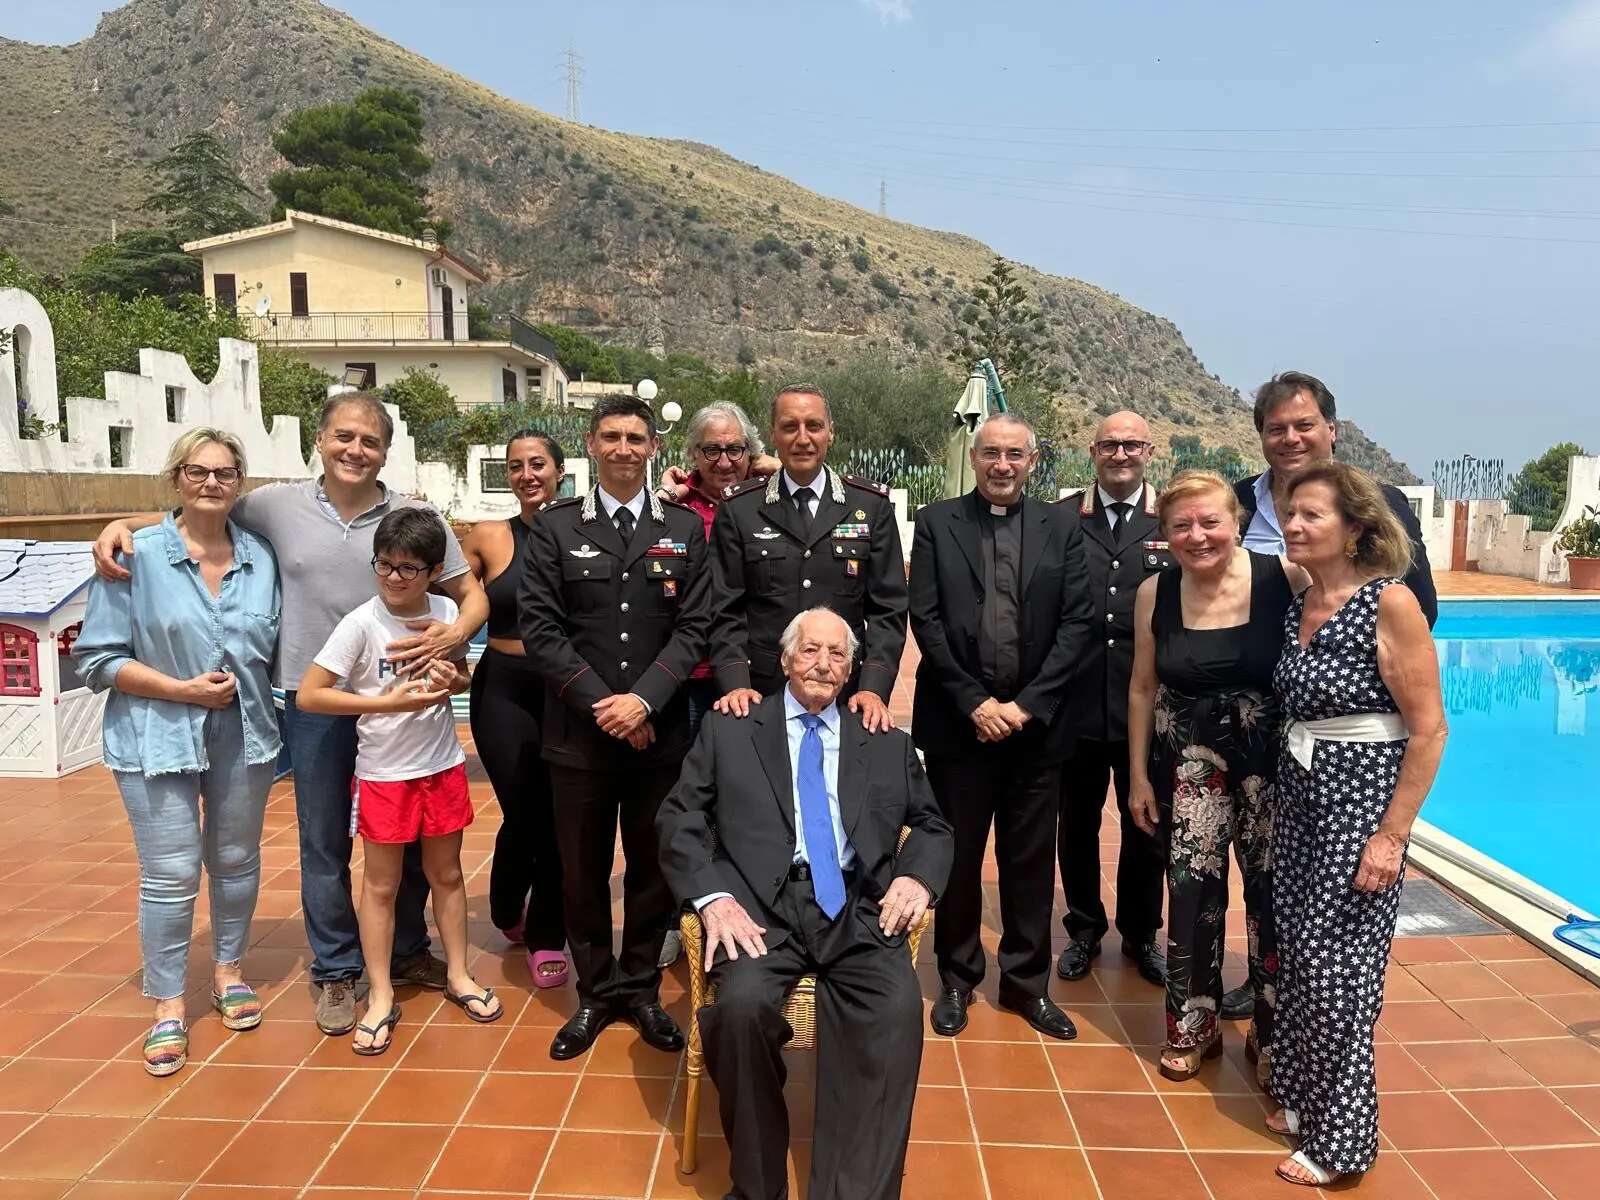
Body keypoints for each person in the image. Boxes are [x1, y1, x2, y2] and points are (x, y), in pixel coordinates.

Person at [92, 393, 489, 1036]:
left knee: (412, 841)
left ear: (386, 449)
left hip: (401, 702)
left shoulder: (417, 515)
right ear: (320, 440)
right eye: (343, 436)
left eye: (370, 440)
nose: (355, 450)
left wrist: (451, 638)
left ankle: (409, 951)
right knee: (324, 843)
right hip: (318, 705)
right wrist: (120, 525)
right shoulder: (276, 505)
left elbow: (470, 594)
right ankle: (335, 970)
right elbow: (199, 510)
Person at [658, 608, 953, 1200]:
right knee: (738, 1011)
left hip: (855, 906)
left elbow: (932, 826)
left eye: (837, 654)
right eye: (810, 650)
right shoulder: (732, 728)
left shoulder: (886, 740)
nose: (822, 663)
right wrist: (713, 897)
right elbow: (679, 816)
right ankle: (758, 1187)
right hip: (759, 910)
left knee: (897, 1016)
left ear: (851, 670)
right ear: (786, 660)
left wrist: (916, 879)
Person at [73, 429, 281, 1077]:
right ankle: (167, 1005)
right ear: (176, 478)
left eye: (225, 472)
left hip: (243, 733)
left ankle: (227, 970)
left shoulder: (261, 556)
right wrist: (180, 689)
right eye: (197, 471)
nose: (212, 483)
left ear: (240, 481)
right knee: (170, 873)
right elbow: (98, 659)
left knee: (236, 858)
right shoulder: (136, 555)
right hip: (154, 734)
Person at [1266, 462, 1446, 1187]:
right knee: (1304, 961)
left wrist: (1391, 835)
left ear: (1356, 526)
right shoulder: (1301, 601)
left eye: (1312, 514)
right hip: (1302, 803)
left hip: (1356, 809)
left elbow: (1428, 730)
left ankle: (1346, 1143)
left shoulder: (1389, 603)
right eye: (1291, 514)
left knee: (1341, 972)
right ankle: (1311, 1104)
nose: (1296, 526)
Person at [518, 395, 713, 1060]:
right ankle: (597, 992)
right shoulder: (555, 527)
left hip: (659, 738)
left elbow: (695, 628)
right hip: (579, 736)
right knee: (582, 869)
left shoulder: (686, 529)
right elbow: (541, 630)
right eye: (611, 436)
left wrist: (645, 702)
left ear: (654, 446)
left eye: (636, 437)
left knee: (654, 869)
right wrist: (607, 704)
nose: (624, 448)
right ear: (590, 443)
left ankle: (638, 990)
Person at [910, 414, 1094, 1041]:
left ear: (1033, 460)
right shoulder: (937, 523)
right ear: (974, 455)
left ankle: (1024, 984)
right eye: (990, 453)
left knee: (1030, 863)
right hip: (961, 728)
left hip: (1036, 730)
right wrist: (974, 703)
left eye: (1015, 454)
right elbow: (925, 620)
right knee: (957, 860)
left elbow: (1078, 622)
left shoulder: (1064, 527)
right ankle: (957, 979)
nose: (1002, 465)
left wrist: (1026, 705)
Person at [296, 508, 501, 1052]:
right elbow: (310, 694)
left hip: (440, 767)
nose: (393, 578)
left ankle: (458, 974)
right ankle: (382, 992)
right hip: (385, 775)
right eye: (384, 565)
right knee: (381, 886)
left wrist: (455, 674)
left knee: (447, 876)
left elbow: (459, 674)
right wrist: (379, 705)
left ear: (435, 571)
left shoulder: (443, 612)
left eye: (408, 569)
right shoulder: (361, 623)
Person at [1126, 471, 1308, 1083]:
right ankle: (1192, 1027)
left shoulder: (1284, 578)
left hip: (1270, 765)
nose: (1197, 536)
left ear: (1236, 522)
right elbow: (1143, 686)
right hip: (1187, 764)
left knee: (1272, 898)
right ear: (1165, 534)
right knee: (1191, 895)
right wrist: (1137, 776)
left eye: (1210, 522)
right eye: (1181, 525)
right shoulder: (1155, 592)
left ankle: (1274, 1034)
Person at [709, 383, 907, 733]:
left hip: (845, 693)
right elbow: (724, 609)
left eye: (813, 426)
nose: (802, 438)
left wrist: (873, 689)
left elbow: (888, 610)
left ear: (831, 432)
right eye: (789, 426)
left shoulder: (869, 507)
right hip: (760, 695)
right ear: (773, 434)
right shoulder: (740, 509)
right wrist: (735, 682)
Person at [1054, 411, 1169, 988]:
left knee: (1144, 823)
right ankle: (1083, 928)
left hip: (1146, 708)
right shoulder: (1061, 517)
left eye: (1130, 445)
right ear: (1092, 451)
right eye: (1109, 445)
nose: (1120, 454)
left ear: (1148, 450)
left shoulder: (1174, 519)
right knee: (1074, 824)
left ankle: (1143, 933)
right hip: (1074, 704)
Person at [461, 430, 570, 989]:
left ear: (559, 469)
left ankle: (549, 933)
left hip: (566, 687)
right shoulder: (488, 535)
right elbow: (456, 596)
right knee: (524, 809)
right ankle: (507, 904)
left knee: (561, 815)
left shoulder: (583, 531)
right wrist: (448, 649)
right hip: (503, 687)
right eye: (516, 466)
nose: (528, 474)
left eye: (538, 464)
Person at [1236, 370, 1436, 624]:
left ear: (1331, 430)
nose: (1290, 438)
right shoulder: (1237, 502)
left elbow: (1422, 609)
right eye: (1276, 429)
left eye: (1304, 426)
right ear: (1262, 436)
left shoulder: (1382, 505)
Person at [656, 401, 774, 733]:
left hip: (757, 672)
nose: (724, 462)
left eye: (735, 449)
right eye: (711, 450)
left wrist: (782, 469)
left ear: (752, 452)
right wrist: (665, 494)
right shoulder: (674, 507)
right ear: (693, 453)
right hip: (691, 674)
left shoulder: (773, 500)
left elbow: (828, 503)